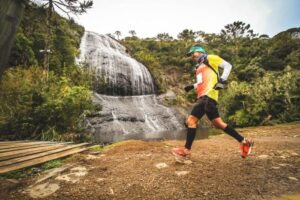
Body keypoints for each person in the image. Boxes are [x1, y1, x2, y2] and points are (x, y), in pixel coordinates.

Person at [172, 45, 253, 159]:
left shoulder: (210, 58)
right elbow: (201, 82)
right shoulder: (198, 67)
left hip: (208, 95)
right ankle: (244, 141)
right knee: (218, 124)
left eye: (192, 53)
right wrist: (192, 86)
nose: (191, 56)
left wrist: (222, 80)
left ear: (199, 52)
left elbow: (228, 66)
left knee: (191, 120)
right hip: (205, 96)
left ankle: (186, 151)